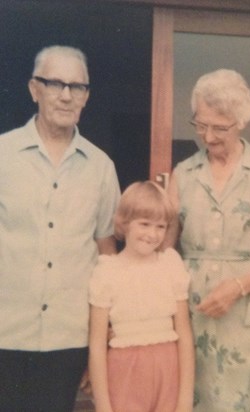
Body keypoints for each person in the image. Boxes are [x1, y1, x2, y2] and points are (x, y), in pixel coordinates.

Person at [167, 69, 250, 412]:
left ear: (241, 122)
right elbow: (164, 252)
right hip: (193, 312)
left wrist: (237, 286)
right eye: (200, 124)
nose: (207, 136)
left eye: (219, 128)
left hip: (249, 314)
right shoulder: (183, 174)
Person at [0, 45, 120, 411]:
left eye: (77, 87)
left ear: (86, 97)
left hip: (69, 337)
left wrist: (107, 330)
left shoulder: (101, 167)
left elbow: (107, 253)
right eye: (55, 84)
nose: (66, 95)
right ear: (34, 89)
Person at [88, 181, 195, 412]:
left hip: (169, 369)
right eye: (144, 224)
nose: (152, 234)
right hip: (125, 371)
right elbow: (97, 344)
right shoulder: (107, 271)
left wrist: (185, 401)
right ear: (124, 222)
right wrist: (104, 406)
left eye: (160, 226)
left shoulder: (170, 265)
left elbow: (185, 335)